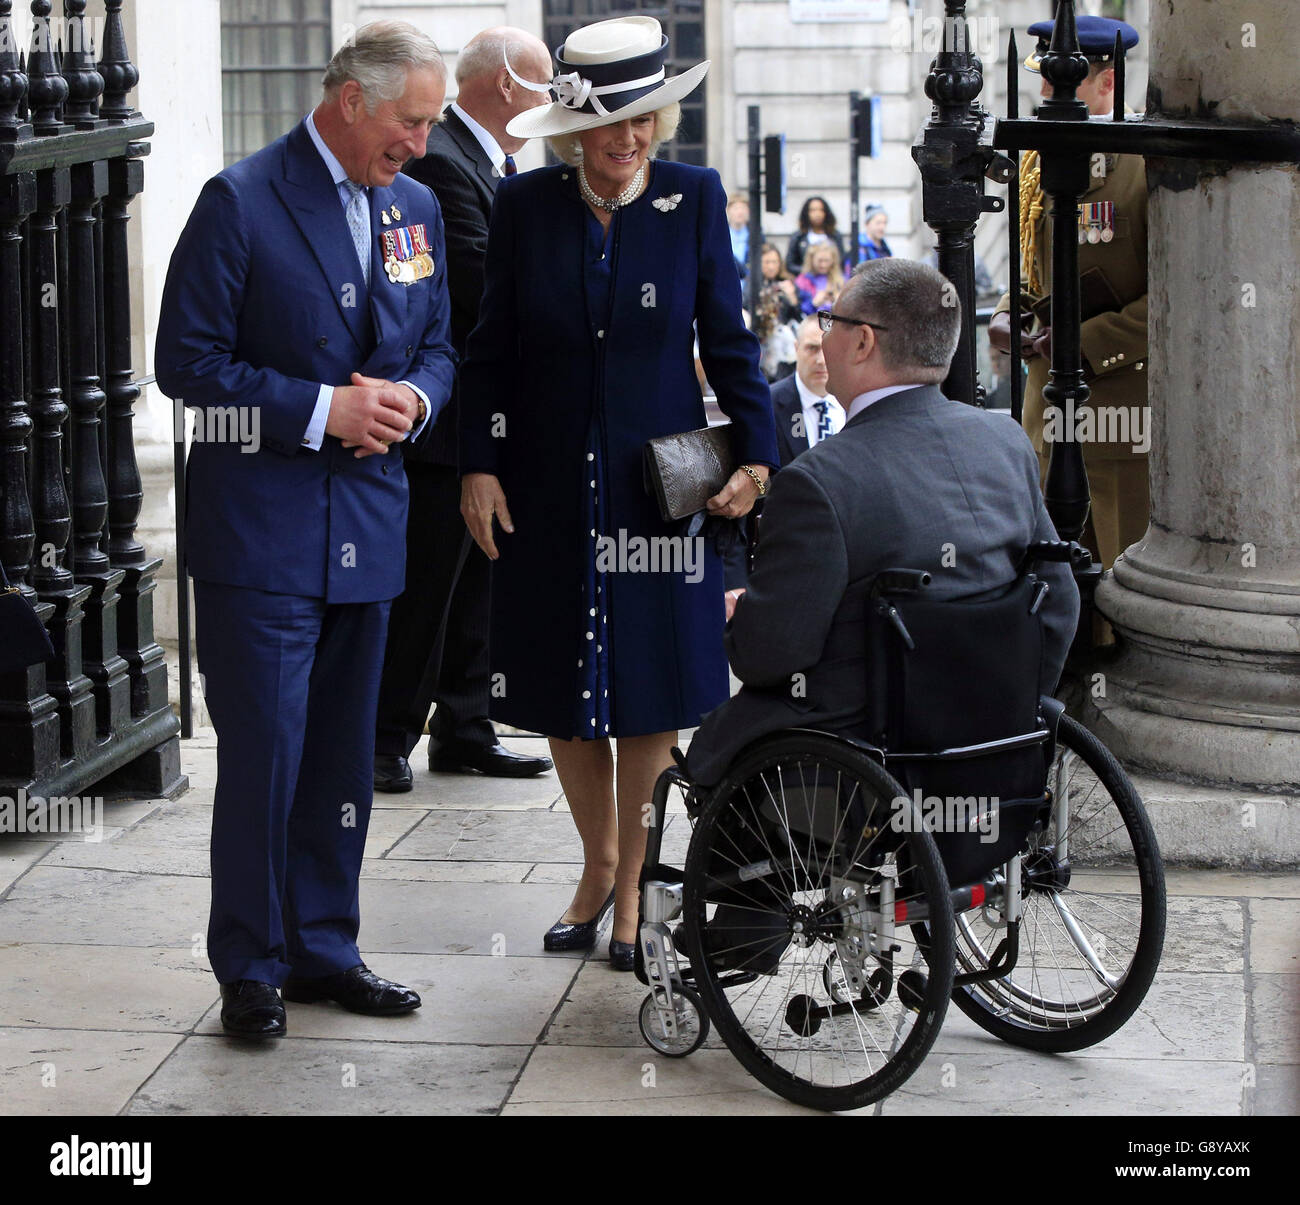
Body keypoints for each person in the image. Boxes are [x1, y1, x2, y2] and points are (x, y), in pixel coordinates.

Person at [155, 21, 457, 1038]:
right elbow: (186, 369)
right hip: (261, 536)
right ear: (349, 101)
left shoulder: (416, 205)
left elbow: (444, 347)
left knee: (340, 758)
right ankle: (250, 962)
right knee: (268, 760)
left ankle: (325, 947)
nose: (422, 142)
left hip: (370, 527)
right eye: (411, 121)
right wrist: (322, 409)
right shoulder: (238, 201)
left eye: (431, 123)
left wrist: (413, 401)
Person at [459, 15, 778, 970]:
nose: (632, 140)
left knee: (646, 690)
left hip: (656, 495)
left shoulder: (692, 198)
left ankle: (634, 883)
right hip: (547, 486)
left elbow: (731, 344)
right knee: (565, 688)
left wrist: (757, 459)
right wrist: (479, 461)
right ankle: (596, 862)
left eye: (646, 121)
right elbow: (489, 352)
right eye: (614, 126)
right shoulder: (526, 207)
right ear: (572, 131)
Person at [688, 258, 1080, 786]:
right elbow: (1059, 596)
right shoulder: (1004, 441)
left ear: (863, 343)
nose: (825, 337)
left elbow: (770, 656)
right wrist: (1018, 700)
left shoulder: (816, 481)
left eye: (831, 322)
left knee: (712, 747)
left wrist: (742, 618)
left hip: (862, 752)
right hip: (995, 735)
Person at [373, 27, 555, 792]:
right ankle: (384, 738)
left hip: (490, 420)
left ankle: (465, 726)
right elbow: (483, 284)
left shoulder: (491, 163)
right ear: (508, 87)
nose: (554, 101)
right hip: (445, 424)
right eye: (546, 85)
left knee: (480, 580)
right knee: (427, 588)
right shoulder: (444, 163)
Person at [989, 15, 1148, 578]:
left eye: (1063, 84)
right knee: (1047, 580)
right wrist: (1010, 315)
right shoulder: (1036, 162)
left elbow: (1177, 301)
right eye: (1044, 80)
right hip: (1045, 406)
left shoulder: (1145, 165)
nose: (1044, 95)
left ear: (1108, 82)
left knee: (1118, 582)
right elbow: (1034, 266)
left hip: (1116, 409)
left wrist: (1084, 342)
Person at [770, 314, 844, 465]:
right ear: (796, 348)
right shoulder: (768, 404)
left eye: (829, 349)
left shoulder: (858, 403)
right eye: (812, 348)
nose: (821, 360)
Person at [752, 242, 805, 382]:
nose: (771, 266)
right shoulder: (753, 284)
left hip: (785, 338)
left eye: (774, 262)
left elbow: (798, 316)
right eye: (767, 262)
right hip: (761, 336)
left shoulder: (788, 283)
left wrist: (792, 296)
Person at [785, 194, 845, 276]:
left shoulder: (835, 235)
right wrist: (808, 271)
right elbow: (790, 264)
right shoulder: (798, 237)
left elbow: (841, 261)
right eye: (813, 210)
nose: (817, 214)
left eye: (821, 210)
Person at [795, 241, 845, 315]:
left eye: (827, 261)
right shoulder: (802, 281)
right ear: (811, 260)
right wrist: (814, 303)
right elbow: (799, 310)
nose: (823, 265)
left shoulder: (840, 280)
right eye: (820, 261)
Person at [727, 194, 751, 278]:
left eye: (743, 208)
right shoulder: (721, 233)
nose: (740, 212)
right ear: (728, 210)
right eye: (736, 208)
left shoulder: (755, 234)